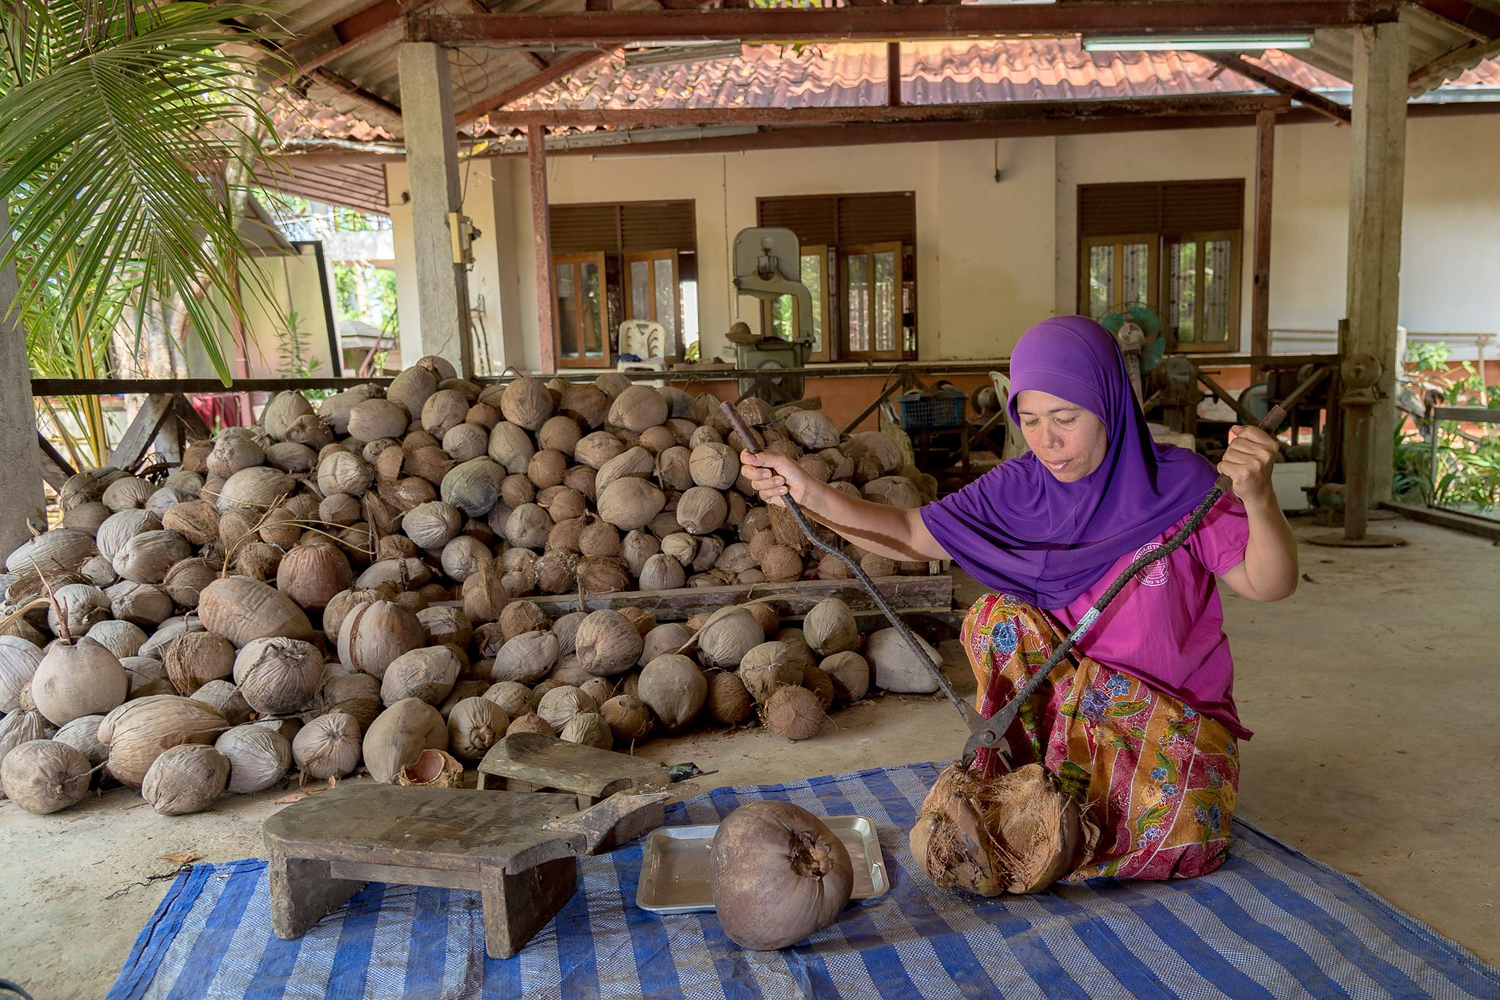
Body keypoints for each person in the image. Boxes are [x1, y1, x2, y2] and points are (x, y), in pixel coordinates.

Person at [740, 316, 1297, 884]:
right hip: (1068, 721)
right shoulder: (1019, 489)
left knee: (1186, 836)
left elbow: (1268, 583)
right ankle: (1042, 788)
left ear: (1110, 404)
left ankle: (1059, 819)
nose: (1047, 441)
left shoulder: (1180, 485)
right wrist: (806, 494)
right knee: (996, 619)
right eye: (1028, 420)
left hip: (1166, 716)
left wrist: (1257, 496)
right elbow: (910, 532)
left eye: (1066, 418)